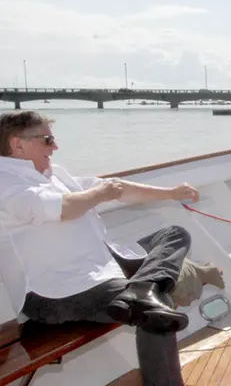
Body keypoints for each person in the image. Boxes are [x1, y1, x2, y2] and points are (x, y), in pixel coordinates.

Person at [0, 110, 200, 386]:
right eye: (47, 140)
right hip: (55, 293)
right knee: (156, 311)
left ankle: (142, 290)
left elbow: (117, 188)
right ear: (17, 144)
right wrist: (99, 194)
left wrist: (171, 192)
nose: (55, 147)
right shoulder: (6, 182)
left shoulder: (53, 174)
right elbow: (63, 208)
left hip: (100, 270)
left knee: (173, 234)